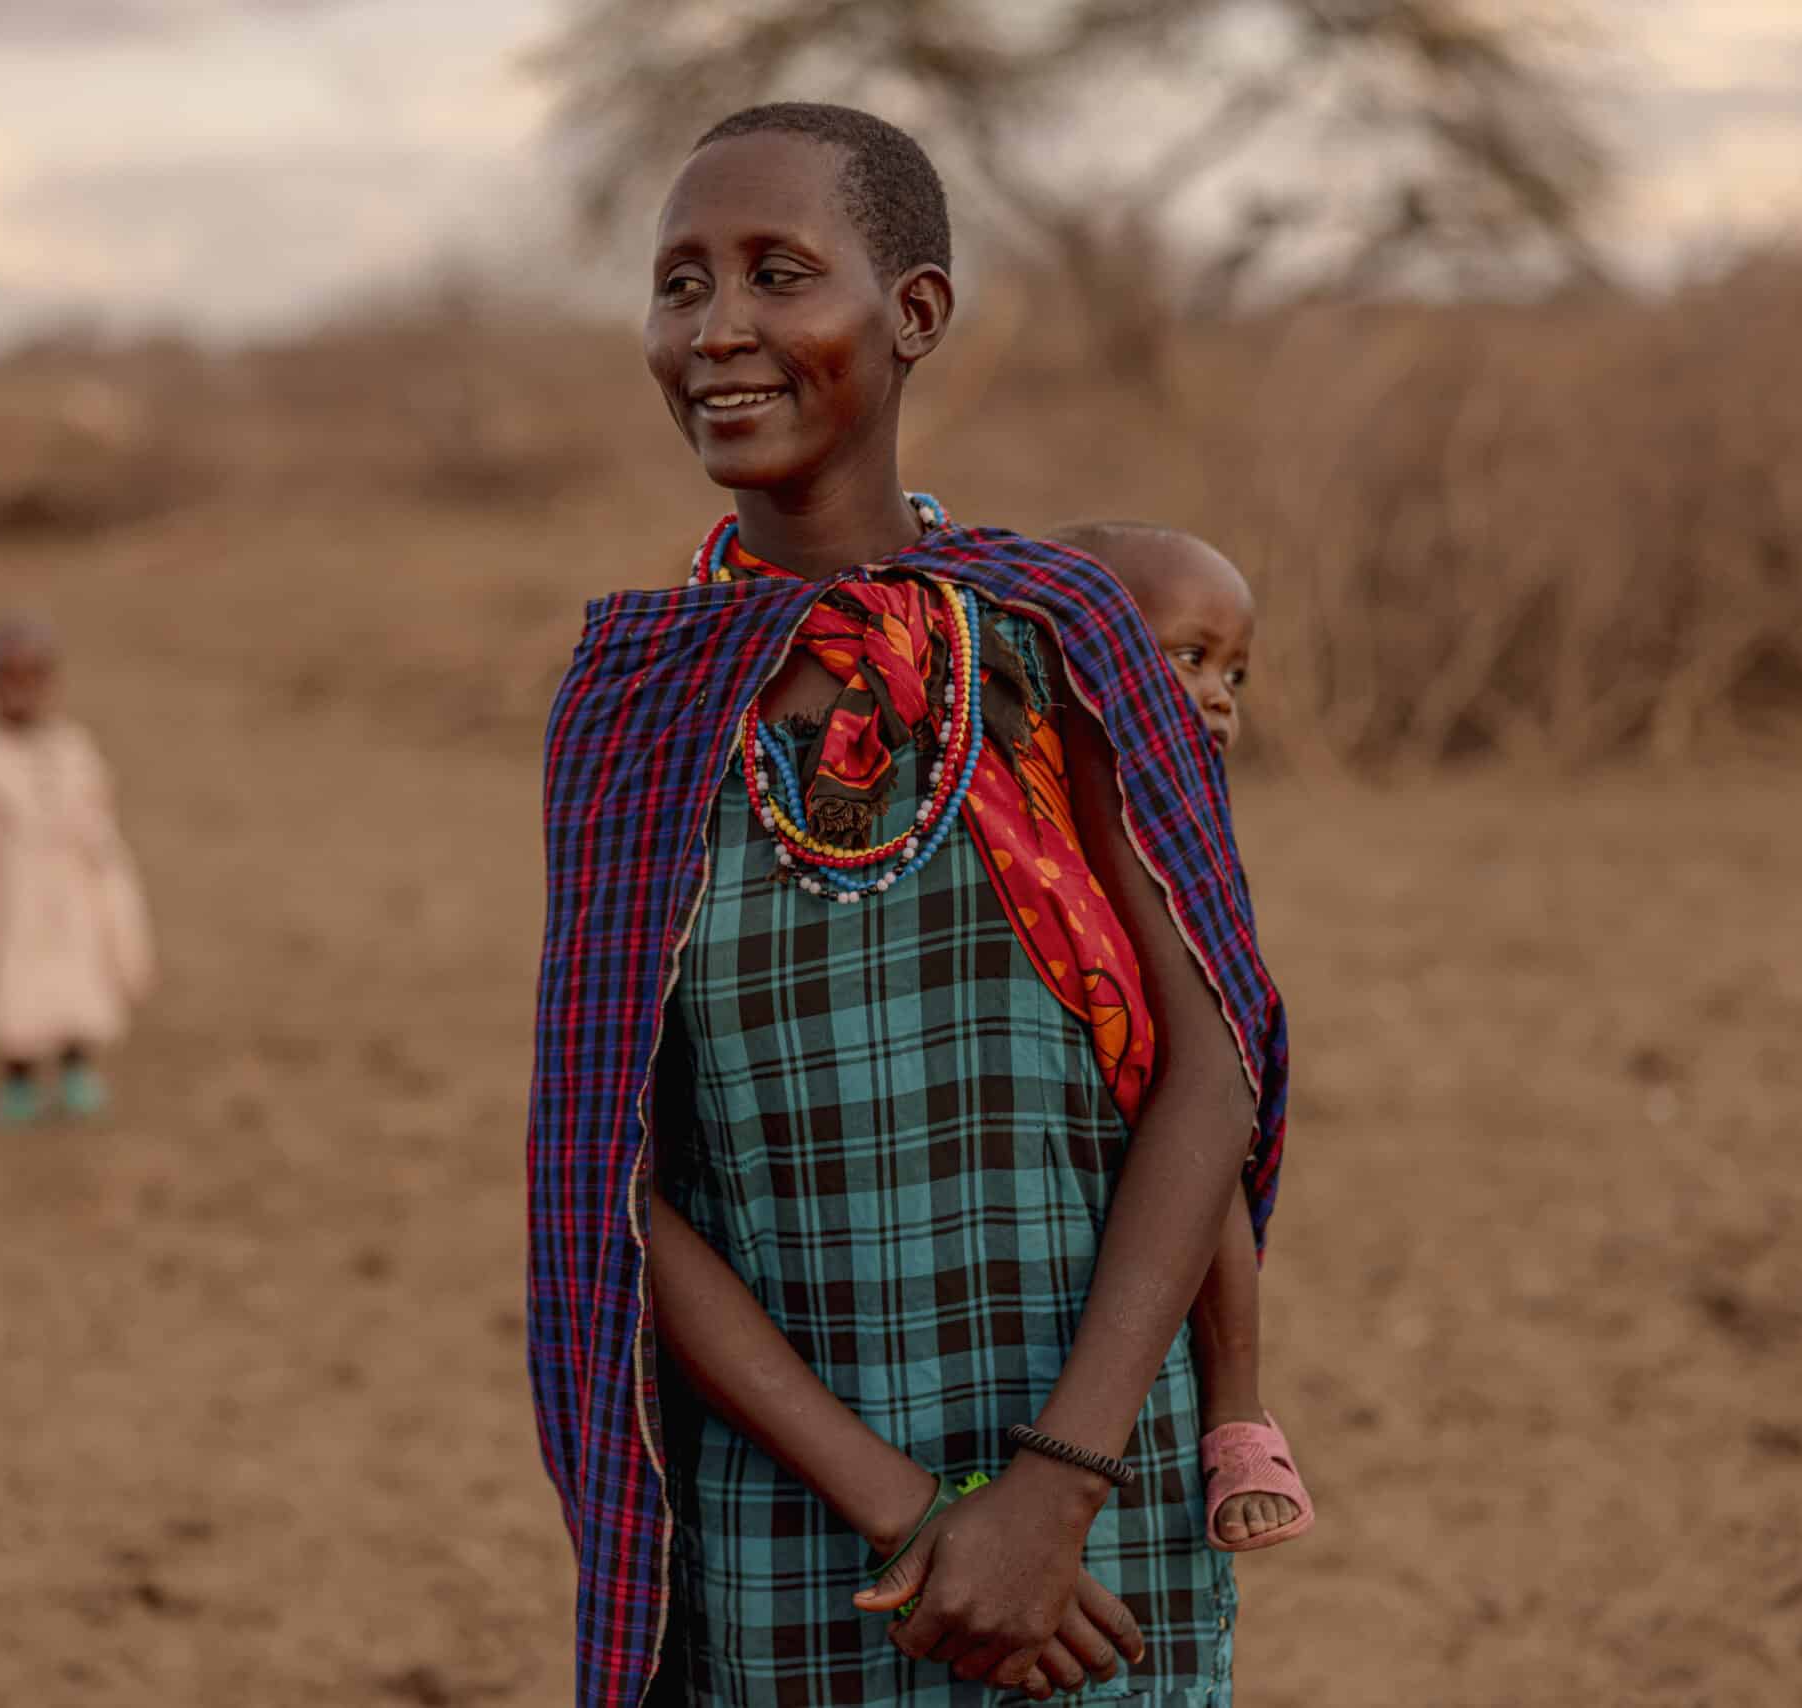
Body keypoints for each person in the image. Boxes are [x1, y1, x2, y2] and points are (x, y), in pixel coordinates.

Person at [526, 103, 1289, 1707]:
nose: (719, 329)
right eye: (679, 286)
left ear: (914, 314)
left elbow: (1216, 1066)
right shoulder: (635, 710)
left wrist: (1051, 1489)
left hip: (1100, 1536)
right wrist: (913, 1512)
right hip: (797, 1547)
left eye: (778, 272)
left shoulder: (1065, 644)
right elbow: (613, 1174)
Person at [1048, 522, 1313, 1556]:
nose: (1219, 696)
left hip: (1173, 1078)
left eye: (1234, 674)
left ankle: (1238, 1414)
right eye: (1188, 657)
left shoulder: (1184, 809)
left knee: (1214, 1182)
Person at [0, 616, 152, 1128]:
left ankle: (76, 1067)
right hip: (12, 906)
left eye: (33, 677)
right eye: (9, 678)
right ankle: (17, 1078)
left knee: (79, 986)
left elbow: (103, 843)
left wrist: (121, 919)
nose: (21, 692)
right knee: (15, 999)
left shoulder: (74, 752)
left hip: (71, 900)